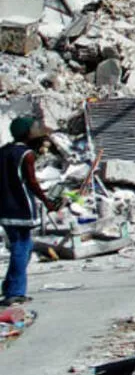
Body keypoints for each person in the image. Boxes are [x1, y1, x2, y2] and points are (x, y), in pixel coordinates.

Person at [1, 117, 59, 306]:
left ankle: (10, 286)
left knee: (20, 246)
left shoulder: (3, 152)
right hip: (21, 207)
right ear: (27, 133)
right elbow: (32, 183)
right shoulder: (26, 154)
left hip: (4, 207)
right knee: (22, 247)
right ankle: (14, 292)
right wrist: (47, 201)